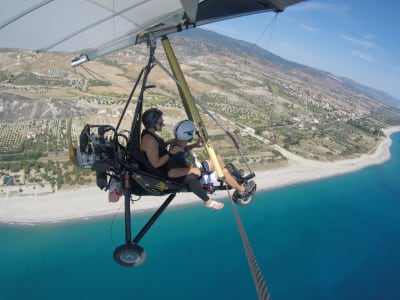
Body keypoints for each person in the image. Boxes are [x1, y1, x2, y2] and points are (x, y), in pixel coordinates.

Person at [167, 120, 256, 210]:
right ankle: (242, 191)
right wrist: (194, 170)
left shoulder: (177, 143)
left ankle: (230, 178)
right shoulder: (175, 152)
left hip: (197, 167)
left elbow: (184, 148)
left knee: (218, 158)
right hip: (198, 176)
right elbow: (172, 172)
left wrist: (195, 145)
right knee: (224, 172)